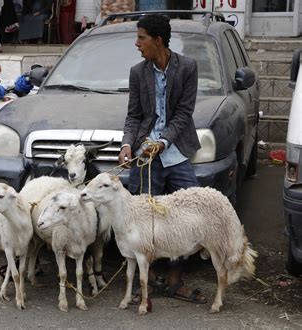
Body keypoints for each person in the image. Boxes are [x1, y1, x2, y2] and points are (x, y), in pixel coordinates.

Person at [118, 14, 207, 304]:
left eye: (141, 37)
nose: (136, 43)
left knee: (186, 216)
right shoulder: (137, 72)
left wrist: (163, 141)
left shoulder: (187, 68)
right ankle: (148, 280)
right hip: (145, 156)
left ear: (158, 40)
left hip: (176, 150)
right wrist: (127, 145)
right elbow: (133, 115)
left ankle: (175, 279)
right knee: (144, 220)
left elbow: (184, 113)